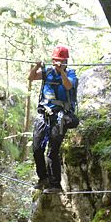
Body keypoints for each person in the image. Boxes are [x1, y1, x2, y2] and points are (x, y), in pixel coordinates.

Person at [28, 45, 78, 192]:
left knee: (52, 150)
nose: (57, 63)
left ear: (66, 61)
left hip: (60, 115)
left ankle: (55, 185)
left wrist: (61, 70)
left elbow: (68, 86)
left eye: (61, 61)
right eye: (56, 60)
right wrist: (37, 66)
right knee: (37, 149)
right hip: (44, 113)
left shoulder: (71, 74)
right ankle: (42, 179)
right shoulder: (47, 72)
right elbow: (30, 77)